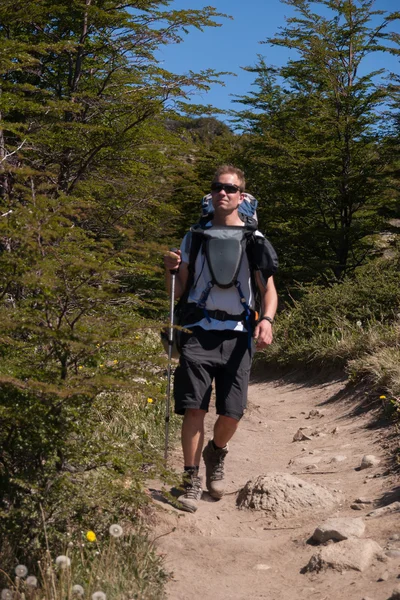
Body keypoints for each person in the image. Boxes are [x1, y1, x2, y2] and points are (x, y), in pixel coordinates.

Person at [163, 165, 278, 513]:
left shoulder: (254, 240)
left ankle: (217, 451)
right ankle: (190, 479)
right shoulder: (194, 237)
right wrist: (169, 271)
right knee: (194, 407)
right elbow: (179, 289)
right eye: (217, 188)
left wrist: (268, 320)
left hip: (238, 334)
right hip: (198, 332)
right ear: (211, 194)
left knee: (233, 413)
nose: (222, 193)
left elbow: (268, 289)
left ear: (241, 196)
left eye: (230, 189)